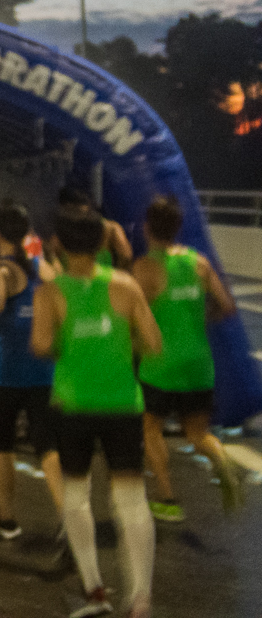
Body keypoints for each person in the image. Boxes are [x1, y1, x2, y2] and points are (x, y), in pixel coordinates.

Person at [31, 205, 162, 618]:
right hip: (122, 403)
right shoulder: (125, 286)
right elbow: (154, 342)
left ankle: (95, 591)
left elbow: (40, 345)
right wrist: (122, 348)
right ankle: (140, 597)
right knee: (131, 499)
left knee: (76, 496)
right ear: (102, 242)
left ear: (58, 244)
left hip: (73, 405)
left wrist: (69, 345)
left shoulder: (50, 292)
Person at [132, 195, 240, 522]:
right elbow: (227, 306)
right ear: (179, 227)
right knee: (196, 434)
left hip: (161, 364)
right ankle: (220, 458)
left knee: (150, 428)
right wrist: (198, 320)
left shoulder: (145, 267)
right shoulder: (199, 263)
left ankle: (167, 499)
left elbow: (132, 316)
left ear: (148, 228)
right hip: (198, 363)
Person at [0, 205, 64, 540]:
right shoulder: (41, 264)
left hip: (6, 372)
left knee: (3, 445)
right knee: (47, 445)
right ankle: (69, 518)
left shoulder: (2, 270)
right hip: (43, 370)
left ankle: (6, 517)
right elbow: (56, 281)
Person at [51, 187, 133, 270]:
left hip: (69, 280)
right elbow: (126, 256)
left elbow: (126, 256)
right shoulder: (110, 228)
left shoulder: (111, 229)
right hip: (104, 280)